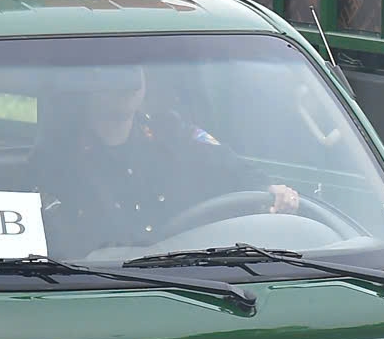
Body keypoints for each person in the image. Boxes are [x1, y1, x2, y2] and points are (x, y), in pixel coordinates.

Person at [28, 65, 298, 258]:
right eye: (112, 72)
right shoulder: (57, 157)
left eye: (133, 71)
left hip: (188, 278)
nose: (126, 83)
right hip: (101, 288)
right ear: (86, 85)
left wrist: (270, 189)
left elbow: (232, 167)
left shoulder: (173, 134)